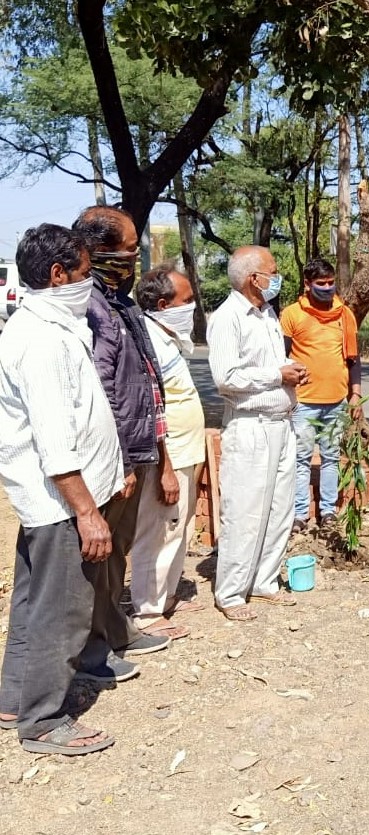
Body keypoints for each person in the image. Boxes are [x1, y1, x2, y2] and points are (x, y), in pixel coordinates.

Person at [0, 224, 124, 755]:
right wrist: (87, 512)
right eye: (83, 272)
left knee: (33, 602)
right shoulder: (41, 339)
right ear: (57, 275)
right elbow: (54, 440)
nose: (89, 281)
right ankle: (44, 720)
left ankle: (14, 700)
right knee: (63, 610)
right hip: (61, 502)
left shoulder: (49, 326)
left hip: (55, 499)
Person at [75, 205, 172, 681]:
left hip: (137, 446)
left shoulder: (120, 300)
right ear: (98, 252)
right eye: (129, 247)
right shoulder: (90, 307)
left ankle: (117, 631)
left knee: (119, 550)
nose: (136, 255)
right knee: (100, 556)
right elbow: (103, 388)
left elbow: (144, 380)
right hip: (115, 455)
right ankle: (93, 652)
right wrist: (121, 460)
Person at [208, 245, 305, 621]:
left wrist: (290, 370)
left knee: (279, 508)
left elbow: (269, 364)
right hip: (250, 427)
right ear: (254, 278)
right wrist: (276, 376)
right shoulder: (228, 318)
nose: (277, 277)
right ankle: (231, 591)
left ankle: (265, 581)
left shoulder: (266, 314)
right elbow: (225, 377)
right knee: (245, 510)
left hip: (281, 425)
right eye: (273, 271)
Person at [129, 266, 207, 639]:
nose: (191, 307)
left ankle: (168, 595)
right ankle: (147, 610)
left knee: (179, 529)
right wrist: (165, 468)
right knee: (158, 532)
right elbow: (153, 411)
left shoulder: (168, 338)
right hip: (168, 459)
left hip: (186, 454)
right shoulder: (148, 344)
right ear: (163, 304)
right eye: (186, 301)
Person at [280, 258, 362, 532]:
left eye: (330, 283)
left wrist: (355, 395)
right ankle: (300, 514)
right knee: (301, 459)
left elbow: (354, 358)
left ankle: (328, 511)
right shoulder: (292, 314)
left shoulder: (344, 314)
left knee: (330, 458)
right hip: (303, 401)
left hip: (336, 401)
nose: (327, 288)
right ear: (307, 284)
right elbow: (281, 355)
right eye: (320, 283)